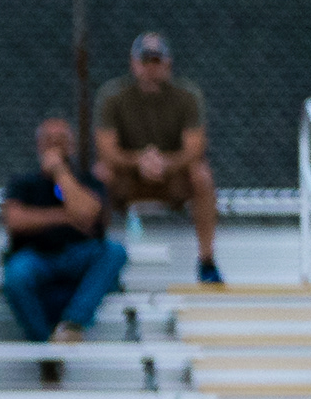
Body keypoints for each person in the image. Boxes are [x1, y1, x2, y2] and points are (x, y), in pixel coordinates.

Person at [92, 33, 223, 285]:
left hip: (172, 179)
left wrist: (164, 163)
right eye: (145, 61)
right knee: (100, 175)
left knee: (202, 175)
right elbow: (106, 149)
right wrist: (139, 161)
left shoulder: (186, 96)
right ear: (134, 63)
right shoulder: (112, 96)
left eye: (156, 61)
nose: (151, 68)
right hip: (128, 179)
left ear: (167, 63)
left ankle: (207, 261)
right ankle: (98, 260)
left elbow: (195, 148)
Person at [1, 118, 129, 347]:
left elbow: (88, 213)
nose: (54, 146)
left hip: (78, 254)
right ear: (39, 146)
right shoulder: (23, 183)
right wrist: (66, 216)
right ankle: (44, 345)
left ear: (72, 146)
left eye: (61, 140)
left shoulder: (88, 181)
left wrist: (60, 172)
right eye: (49, 140)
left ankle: (73, 325)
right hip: (36, 255)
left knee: (114, 252)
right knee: (16, 275)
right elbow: (15, 221)